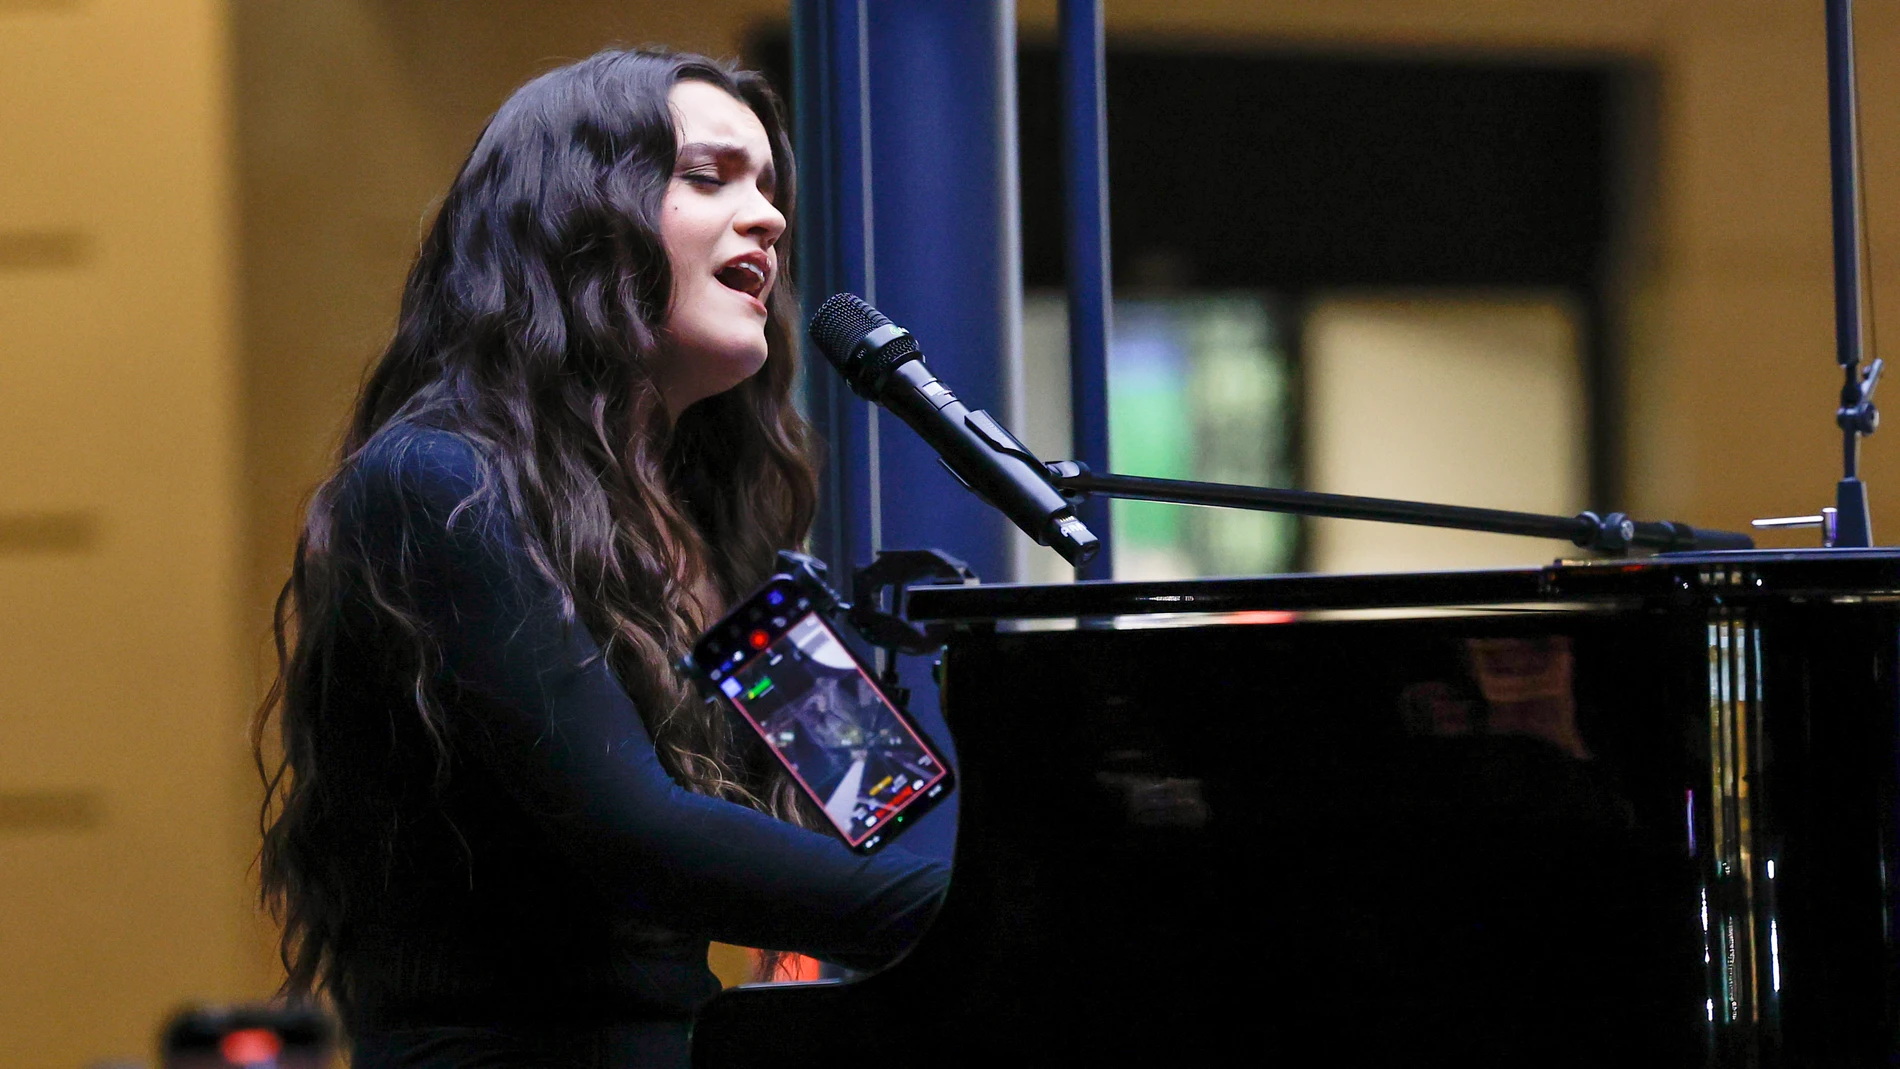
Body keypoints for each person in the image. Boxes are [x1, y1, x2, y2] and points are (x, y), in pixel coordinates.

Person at [252, 49, 950, 1069]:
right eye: (709, 178)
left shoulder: (720, 526)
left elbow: (870, 787)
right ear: (579, 221)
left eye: (766, 185)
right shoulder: (436, 483)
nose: (767, 216)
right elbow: (637, 836)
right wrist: (1007, 920)